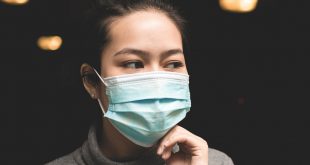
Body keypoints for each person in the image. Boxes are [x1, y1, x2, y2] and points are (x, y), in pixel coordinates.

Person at [46, 0, 234, 164]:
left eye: (173, 63)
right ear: (91, 81)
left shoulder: (214, 162)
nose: (157, 81)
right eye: (134, 63)